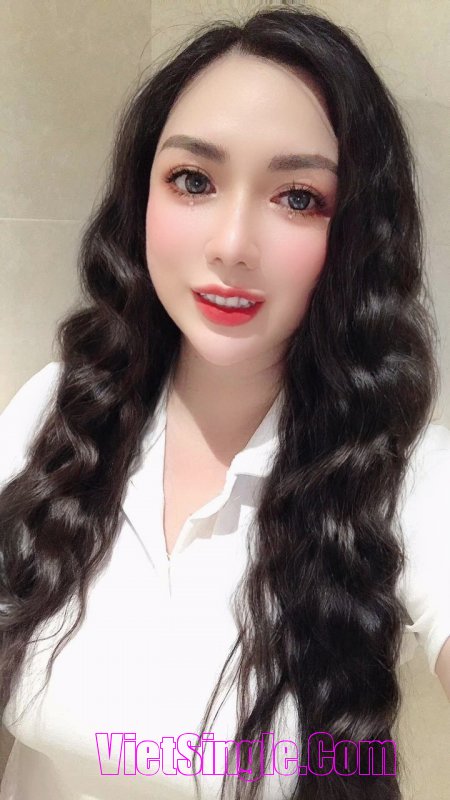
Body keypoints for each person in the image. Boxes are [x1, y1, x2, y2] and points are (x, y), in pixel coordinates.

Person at [0, 6, 449, 800]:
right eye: (194, 181)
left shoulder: (408, 477)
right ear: (141, 197)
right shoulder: (53, 414)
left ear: (356, 235)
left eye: (299, 197)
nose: (233, 245)